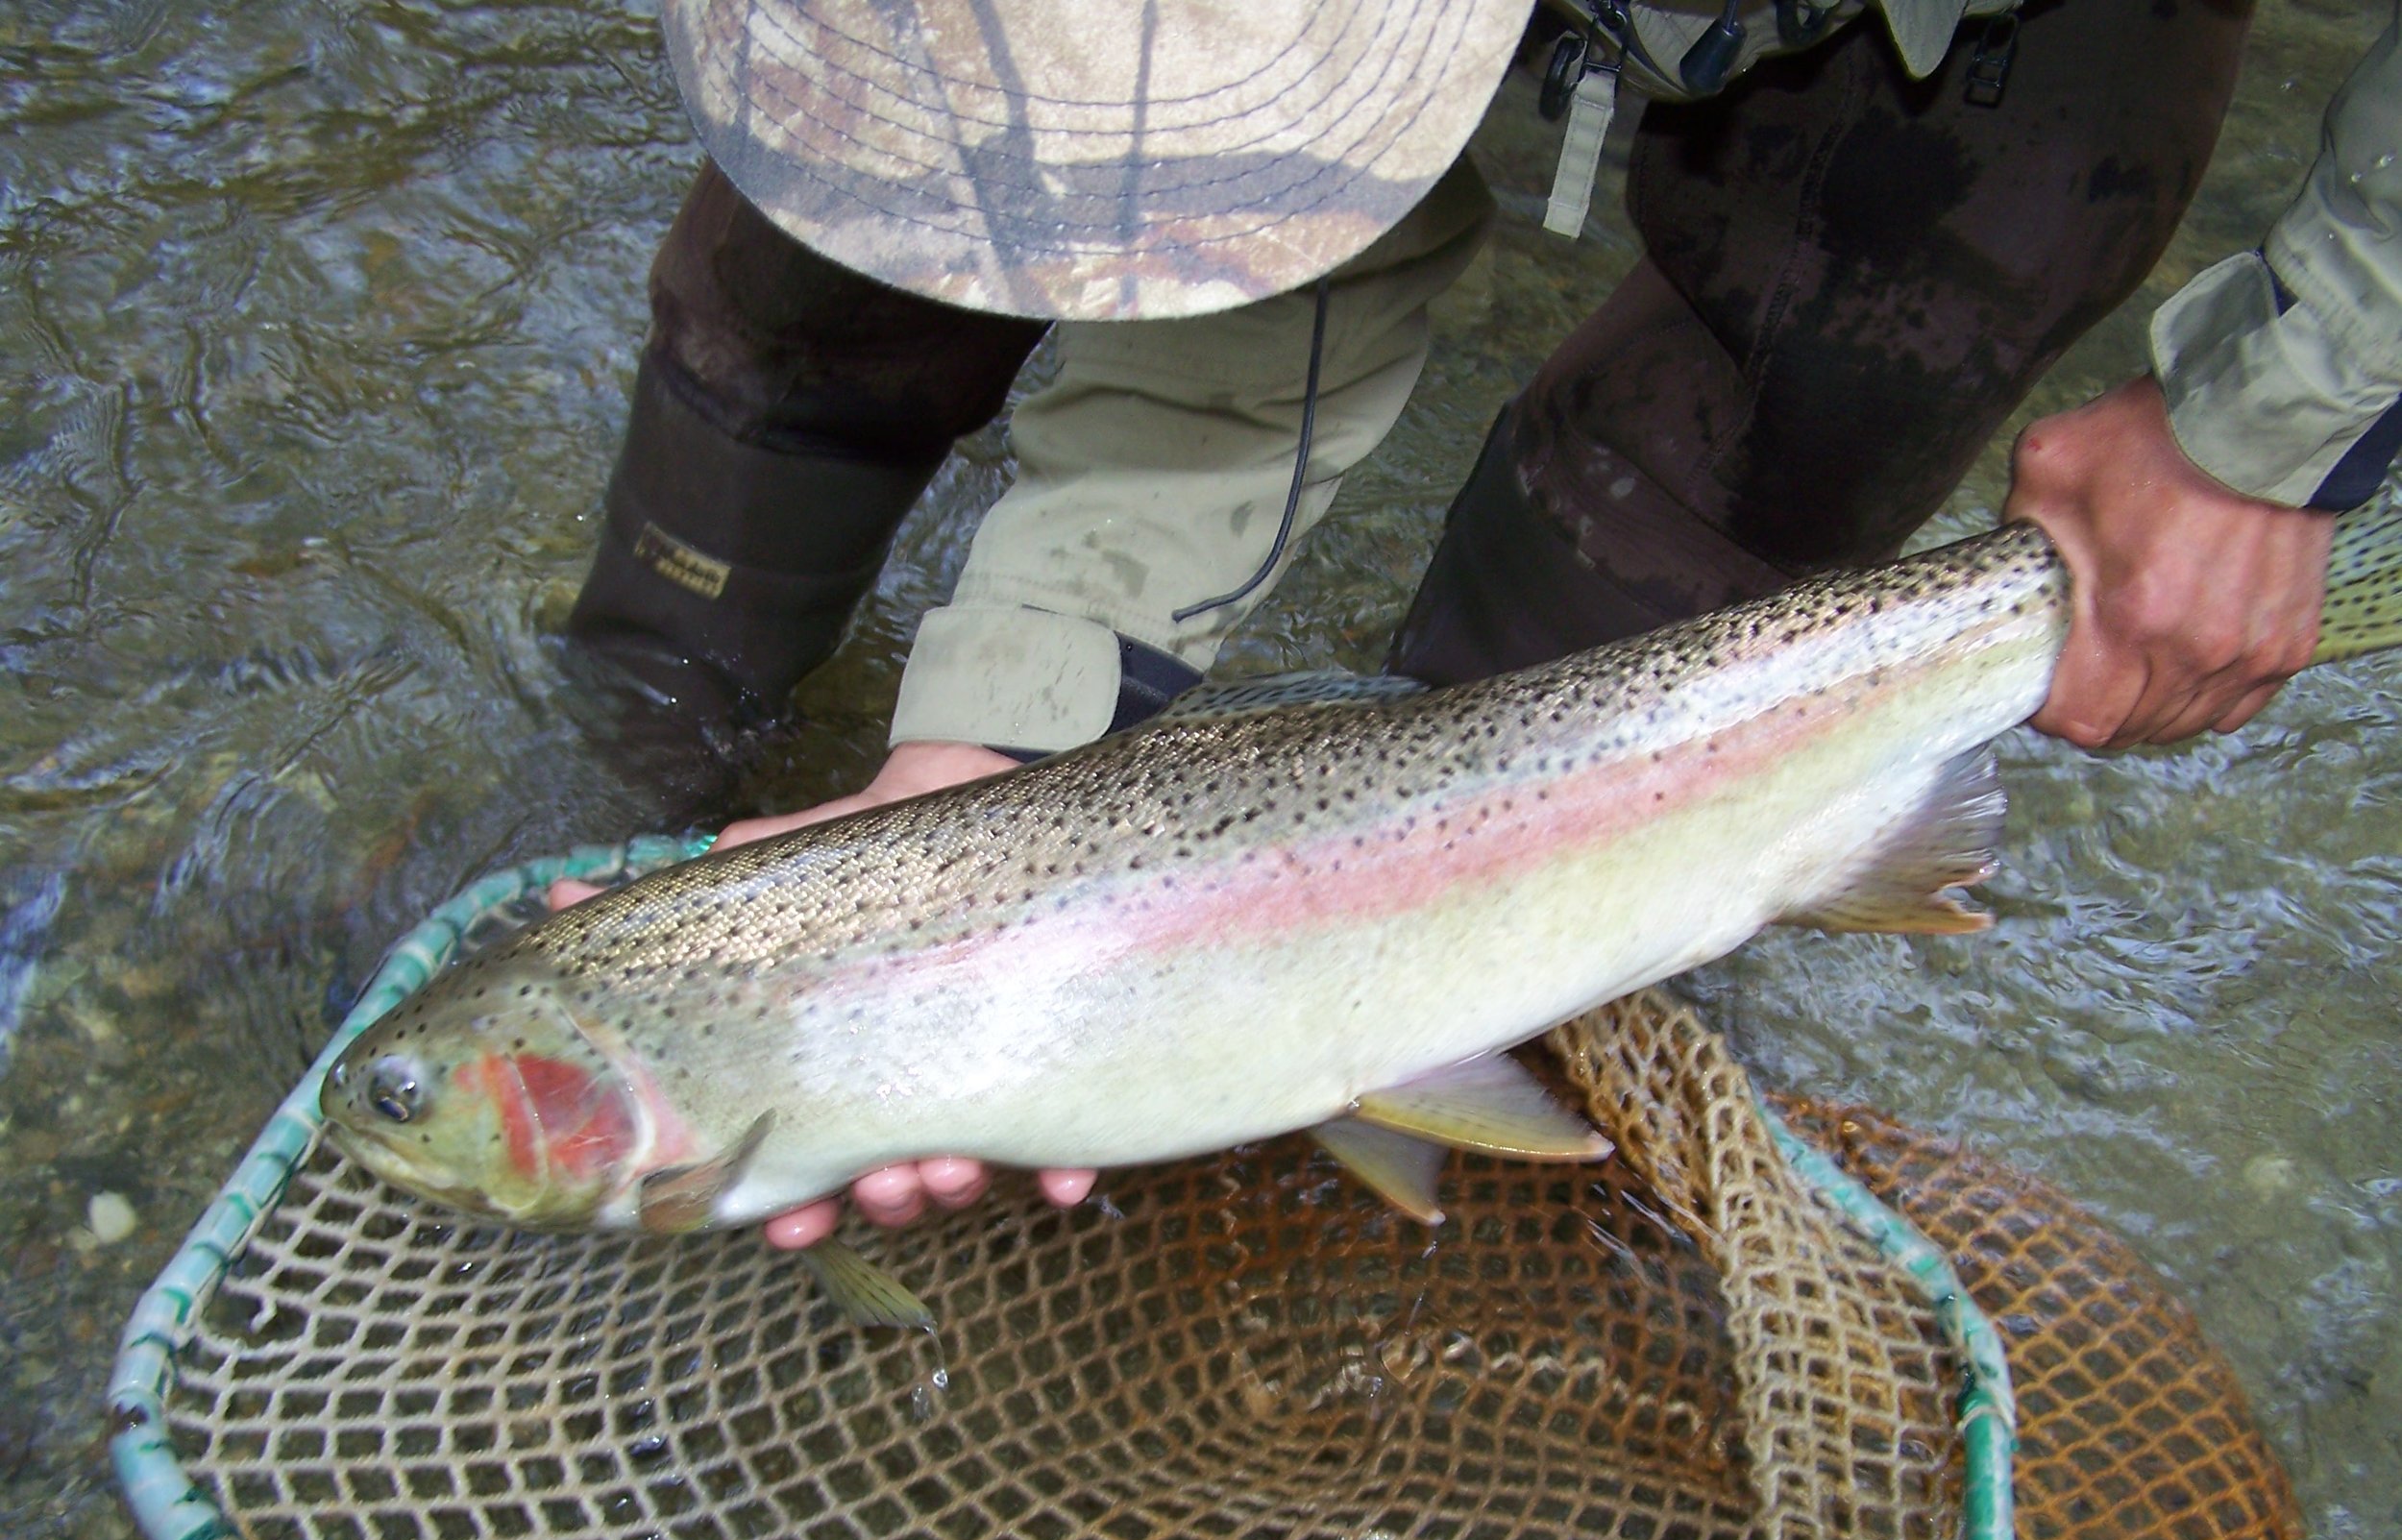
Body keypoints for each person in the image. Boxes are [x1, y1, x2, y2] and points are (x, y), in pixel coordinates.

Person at [559, 0, 2402, 1251]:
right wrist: (1005, 734)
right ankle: (637, 729)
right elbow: (1249, 257)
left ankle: (1440, 1062)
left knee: (1667, 547)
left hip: (1973, 50)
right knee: (829, 252)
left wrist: (2283, 418)